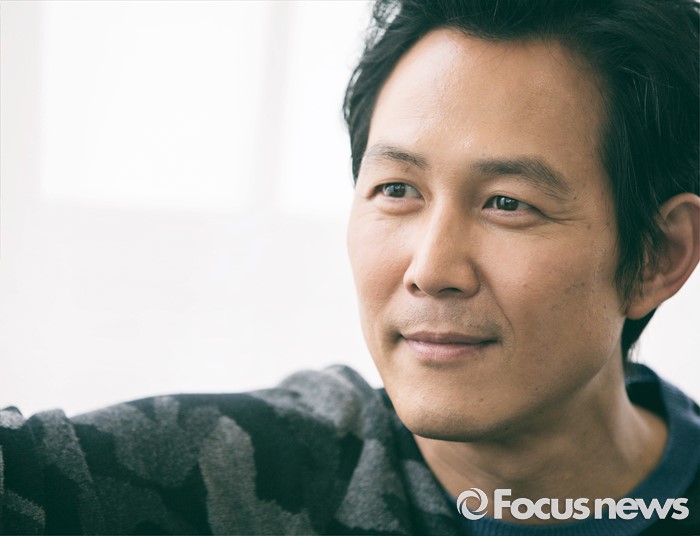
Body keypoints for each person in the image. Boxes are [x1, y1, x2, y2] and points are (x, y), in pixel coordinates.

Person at [1, 0, 698, 534]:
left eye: (507, 203)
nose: (430, 269)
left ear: (659, 256)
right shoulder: (223, 476)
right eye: (397, 190)